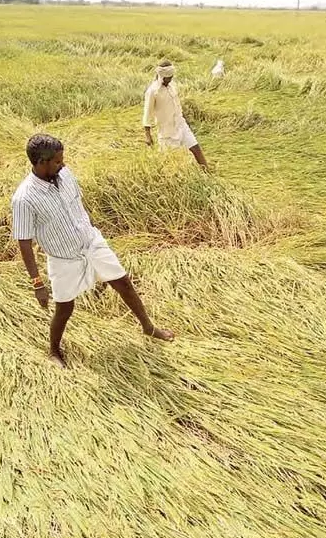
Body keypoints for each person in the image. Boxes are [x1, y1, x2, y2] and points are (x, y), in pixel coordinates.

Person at [12, 134, 174, 366]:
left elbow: (77, 206)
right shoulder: (24, 199)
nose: (63, 164)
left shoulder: (65, 175)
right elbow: (24, 242)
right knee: (65, 308)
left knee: (124, 284)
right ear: (41, 162)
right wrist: (37, 283)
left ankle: (148, 327)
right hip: (64, 258)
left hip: (91, 243)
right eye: (57, 162)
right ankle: (54, 350)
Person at [143, 60, 208, 169]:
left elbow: (177, 106)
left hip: (181, 125)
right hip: (167, 131)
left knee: (195, 148)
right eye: (167, 78)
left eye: (171, 77)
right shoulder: (152, 91)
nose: (170, 80)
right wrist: (148, 135)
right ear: (161, 76)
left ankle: (208, 173)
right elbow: (147, 113)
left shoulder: (172, 86)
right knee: (169, 161)